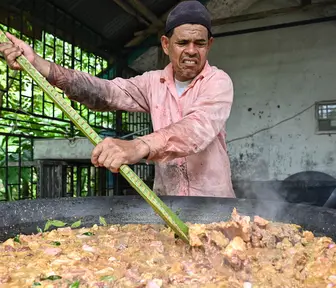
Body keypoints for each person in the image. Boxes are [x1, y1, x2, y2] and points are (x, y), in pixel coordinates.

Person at [0, 0, 235, 198]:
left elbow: (197, 128)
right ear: (166, 45)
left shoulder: (218, 82)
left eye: (200, 43)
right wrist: (40, 65)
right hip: (168, 203)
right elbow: (105, 92)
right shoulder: (153, 83)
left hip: (214, 206)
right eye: (182, 43)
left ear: (209, 45)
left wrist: (139, 146)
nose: (192, 50)